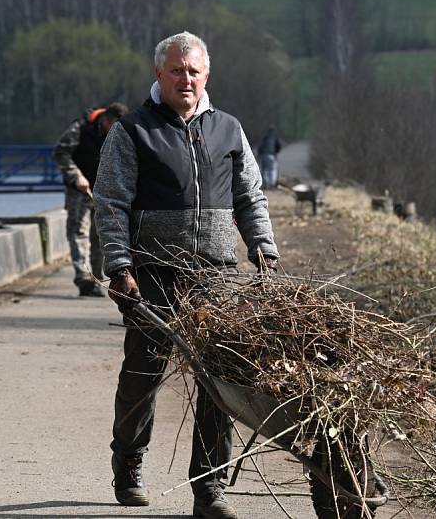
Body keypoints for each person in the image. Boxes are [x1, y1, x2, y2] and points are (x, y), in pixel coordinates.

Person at [93, 31, 279, 519]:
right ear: (159, 74)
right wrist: (119, 265)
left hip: (216, 273)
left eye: (194, 71)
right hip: (152, 272)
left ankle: (209, 488)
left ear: (206, 76)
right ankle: (128, 461)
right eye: (177, 70)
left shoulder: (228, 129)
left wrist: (263, 246)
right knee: (143, 374)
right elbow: (109, 203)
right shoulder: (132, 131)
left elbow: (250, 195)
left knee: (218, 380)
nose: (186, 79)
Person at [54, 102, 128, 297]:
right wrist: (75, 175)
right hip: (79, 191)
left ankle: (96, 278)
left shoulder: (122, 131)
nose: (114, 131)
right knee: (79, 232)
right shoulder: (79, 128)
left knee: (101, 236)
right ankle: (83, 278)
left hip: (104, 193)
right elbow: (60, 152)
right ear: (105, 119)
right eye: (112, 126)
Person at [257, 125, 282, 189]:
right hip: (270, 156)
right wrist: (276, 152)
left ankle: (264, 184)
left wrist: (259, 155)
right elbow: (279, 146)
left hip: (262, 155)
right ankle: (271, 185)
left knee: (263, 170)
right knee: (271, 170)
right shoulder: (275, 137)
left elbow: (260, 147)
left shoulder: (265, 137)